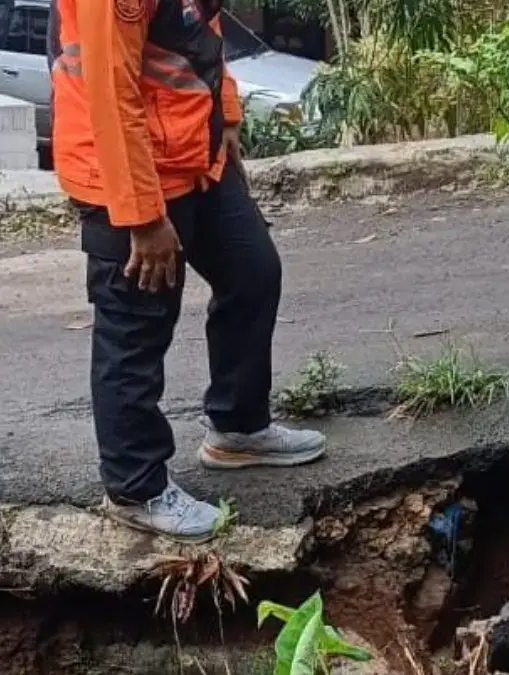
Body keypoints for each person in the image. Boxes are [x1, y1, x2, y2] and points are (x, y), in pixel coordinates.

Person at [47, 0, 325, 542]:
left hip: (193, 155)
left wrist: (226, 121)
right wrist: (142, 217)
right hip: (123, 175)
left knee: (253, 272)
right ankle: (135, 488)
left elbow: (204, 35)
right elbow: (111, 88)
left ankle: (237, 429)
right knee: (137, 325)